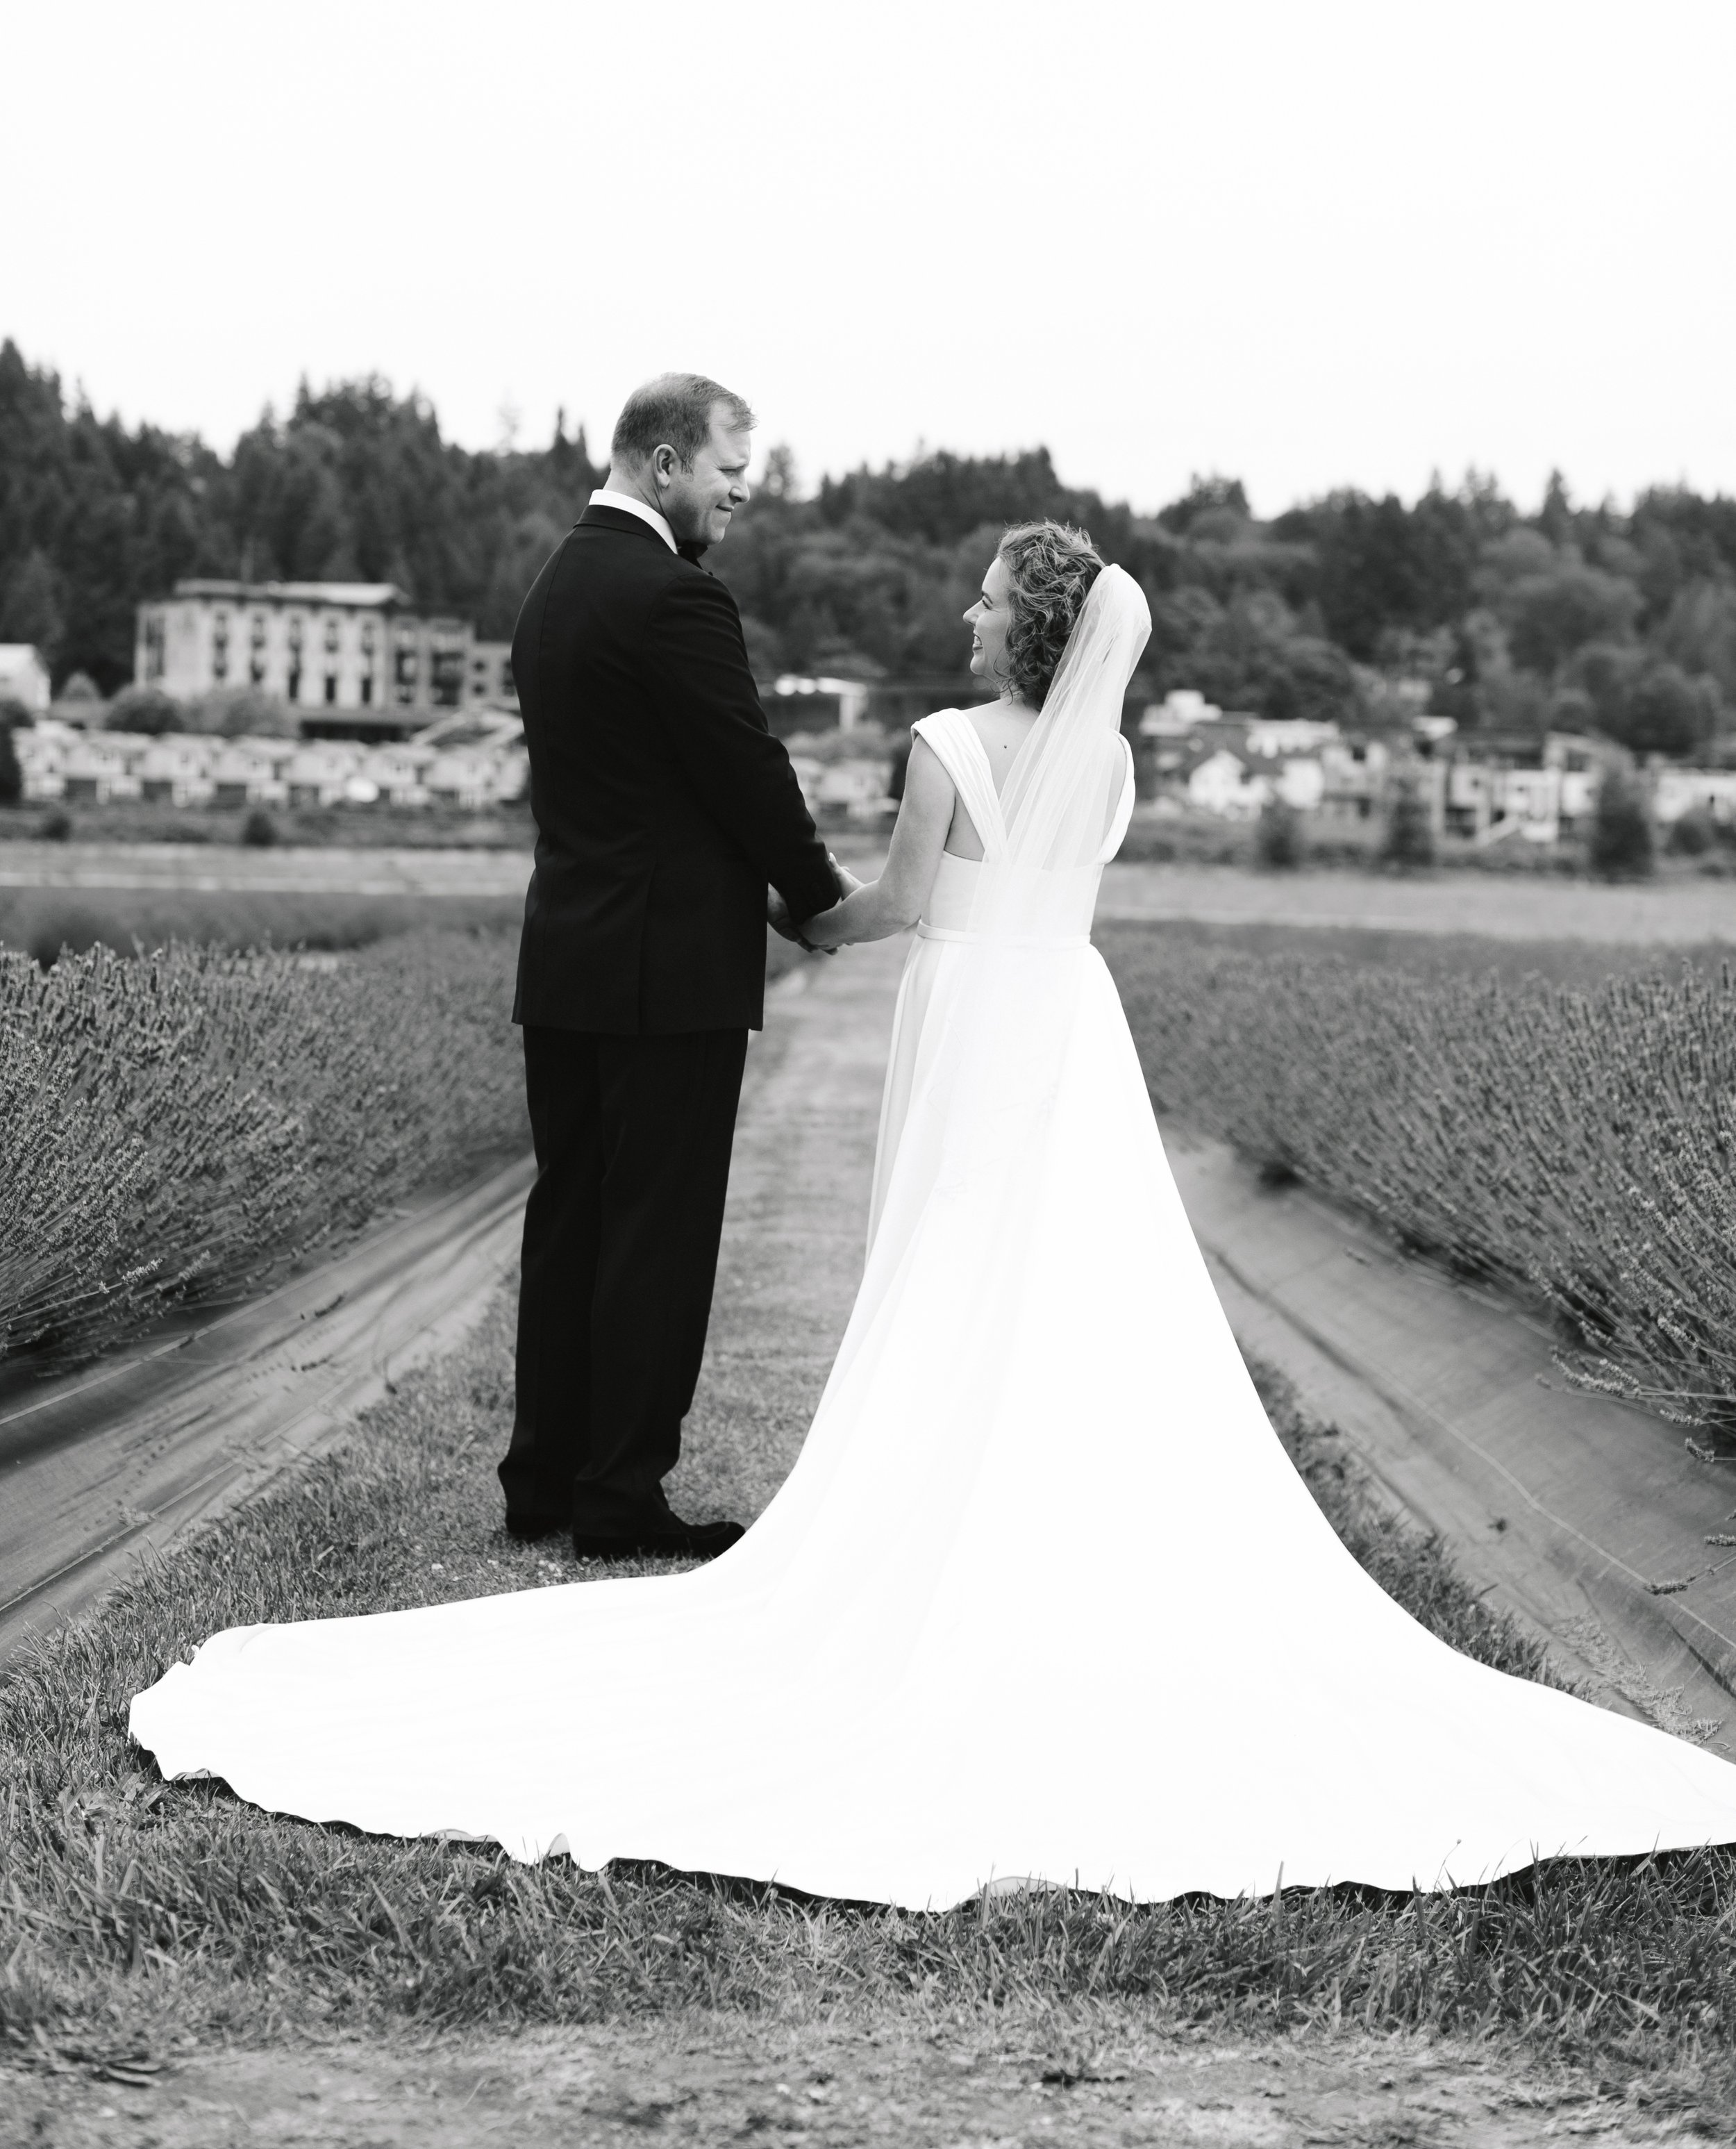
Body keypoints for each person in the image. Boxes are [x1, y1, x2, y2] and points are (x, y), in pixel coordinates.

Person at [132, 520, 1736, 1908]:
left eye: (981, 598)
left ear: (1022, 626)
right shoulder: (1105, 758)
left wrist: (787, 915)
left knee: (949, 1258)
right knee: (1070, 1273)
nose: (964, 615)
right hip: (1066, 1016)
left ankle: (935, 1529)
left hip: (969, 1008)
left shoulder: (947, 743)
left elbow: (893, 907)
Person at [500, 372, 843, 1563]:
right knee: (656, 1231)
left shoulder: (553, 590)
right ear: (663, 464)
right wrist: (818, 899)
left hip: (570, 956)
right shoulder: (675, 597)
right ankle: (621, 1496)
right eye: (727, 475)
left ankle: (541, 1476)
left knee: (573, 1218)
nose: (737, 499)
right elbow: (744, 769)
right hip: (667, 971)